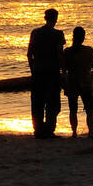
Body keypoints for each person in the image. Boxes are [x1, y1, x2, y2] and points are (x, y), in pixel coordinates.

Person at [26, 8, 66, 138]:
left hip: (38, 72)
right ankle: (49, 130)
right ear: (56, 18)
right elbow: (60, 53)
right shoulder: (58, 34)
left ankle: (38, 130)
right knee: (53, 103)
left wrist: (33, 69)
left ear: (45, 18)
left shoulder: (35, 33)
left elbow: (29, 54)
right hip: (52, 72)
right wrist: (64, 72)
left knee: (37, 102)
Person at [62, 26, 93, 138]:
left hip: (72, 82)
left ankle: (74, 132)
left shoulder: (67, 51)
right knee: (89, 110)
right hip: (86, 82)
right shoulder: (89, 50)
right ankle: (91, 133)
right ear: (83, 37)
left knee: (73, 109)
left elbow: (64, 68)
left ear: (73, 37)